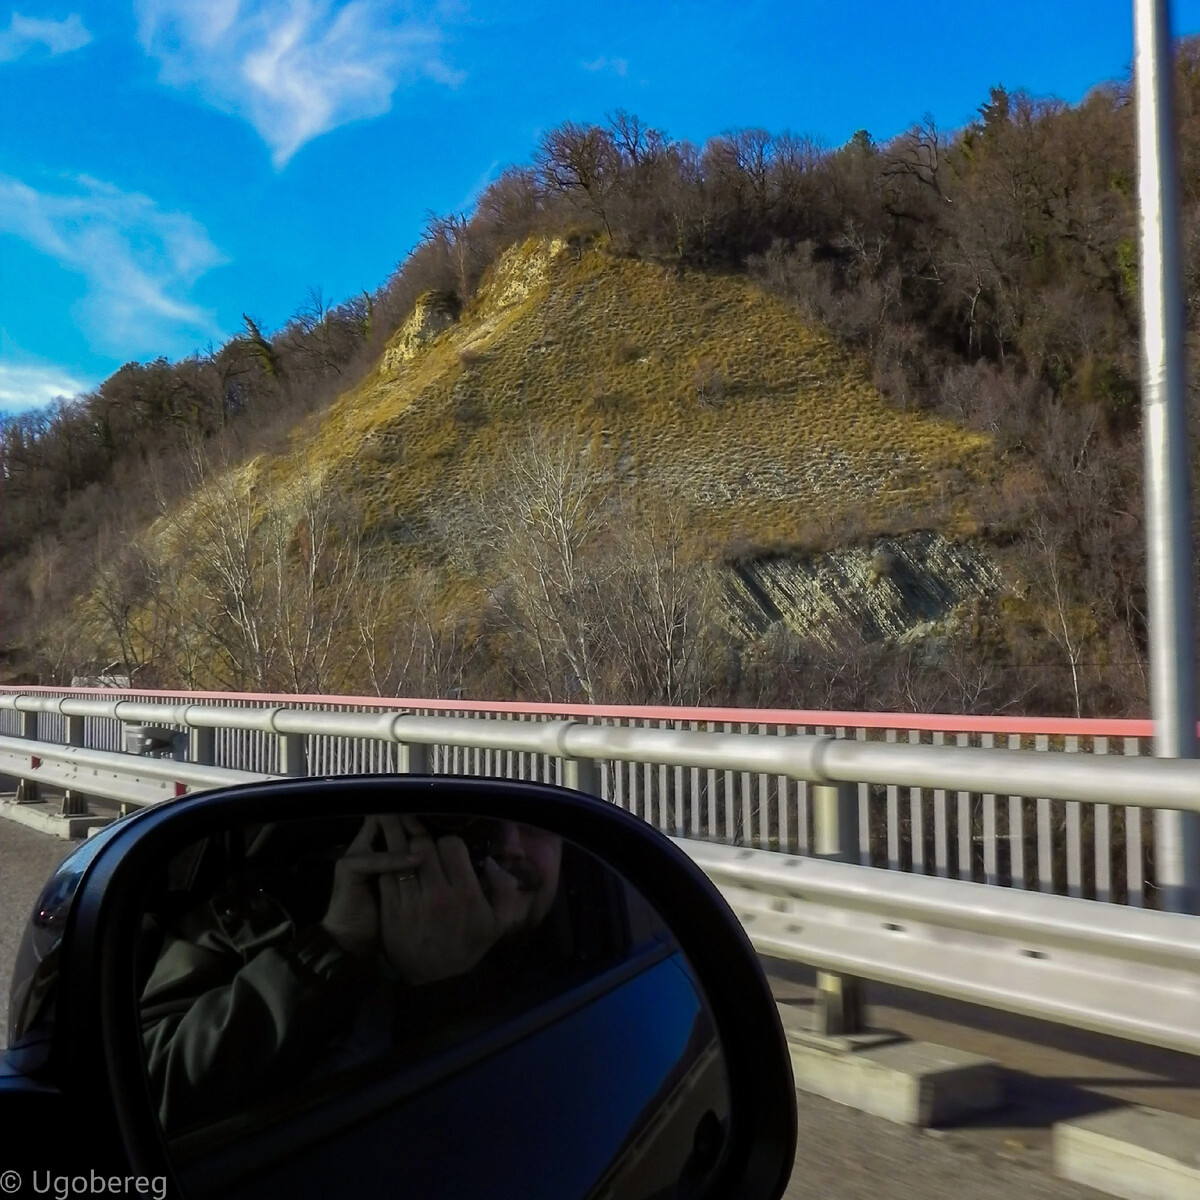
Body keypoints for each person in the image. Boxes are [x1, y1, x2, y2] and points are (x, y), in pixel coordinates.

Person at [138, 813, 571, 1135]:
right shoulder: (255, 917)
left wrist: (444, 987)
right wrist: (335, 945)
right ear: (396, 835)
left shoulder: (578, 954)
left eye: (539, 825)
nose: (509, 845)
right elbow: (149, 1088)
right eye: (476, 828)